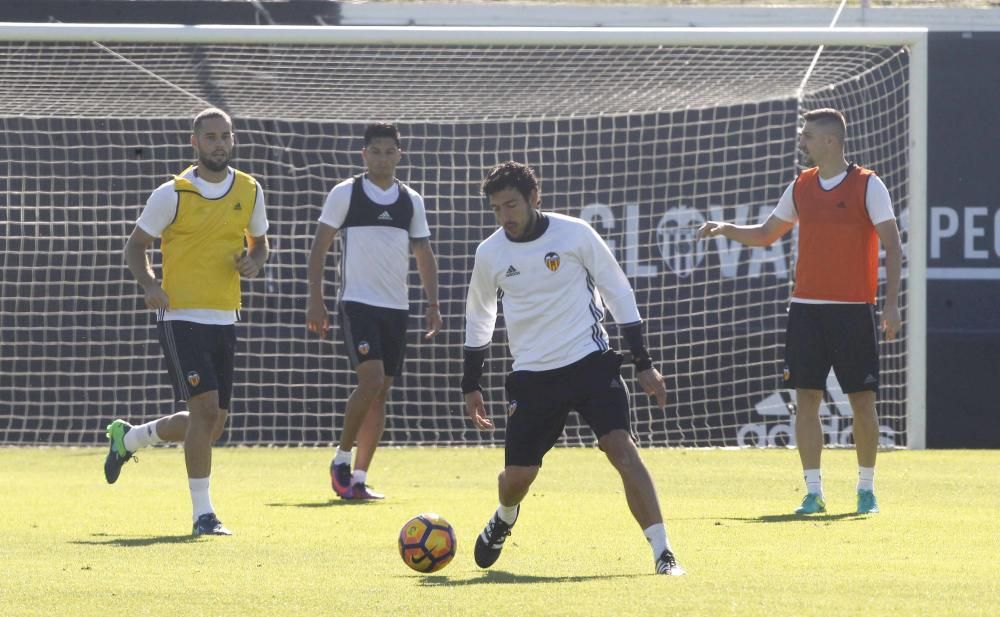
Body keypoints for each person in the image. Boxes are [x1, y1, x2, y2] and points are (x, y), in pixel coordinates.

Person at [462, 161, 684, 575]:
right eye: (496, 208)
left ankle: (663, 553)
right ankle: (504, 517)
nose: (504, 216)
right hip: (533, 377)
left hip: (590, 364)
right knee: (517, 477)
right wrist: (470, 384)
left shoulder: (575, 234)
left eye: (510, 204)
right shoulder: (490, 253)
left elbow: (617, 292)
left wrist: (643, 363)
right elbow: (480, 317)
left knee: (621, 449)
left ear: (534, 198)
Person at [697, 108, 902, 515]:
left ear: (830, 141)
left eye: (808, 135)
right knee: (806, 398)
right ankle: (813, 493)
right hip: (805, 309)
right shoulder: (800, 186)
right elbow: (766, 234)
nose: (802, 141)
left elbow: (893, 246)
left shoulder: (868, 185)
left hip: (852, 311)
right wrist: (727, 228)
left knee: (862, 400)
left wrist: (892, 303)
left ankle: (866, 490)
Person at [107, 107, 270, 536]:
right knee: (204, 411)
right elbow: (135, 246)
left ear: (232, 141)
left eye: (225, 136)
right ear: (194, 142)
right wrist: (149, 284)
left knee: (212, 423)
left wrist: (252, 263)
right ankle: (203, 516)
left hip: (224, 316)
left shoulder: (249, 189)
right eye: (210, 137)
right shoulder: (173, 193)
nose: (219, 143)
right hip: (180, 315)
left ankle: (132, 438)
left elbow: (260, 245)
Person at [306, 123, 441, 501]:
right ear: (364, 154)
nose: (383, 157)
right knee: (371, 380)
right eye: (375, 151)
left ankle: (360, 478)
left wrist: (433, 303)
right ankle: (341, 461)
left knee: (381, 392)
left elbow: (423, 253)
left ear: (400, 155)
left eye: (389, 151)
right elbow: (319, 248)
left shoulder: (410, 200)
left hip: (396, 308)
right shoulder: (346, 193)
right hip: (358, 304)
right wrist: (315, 299)